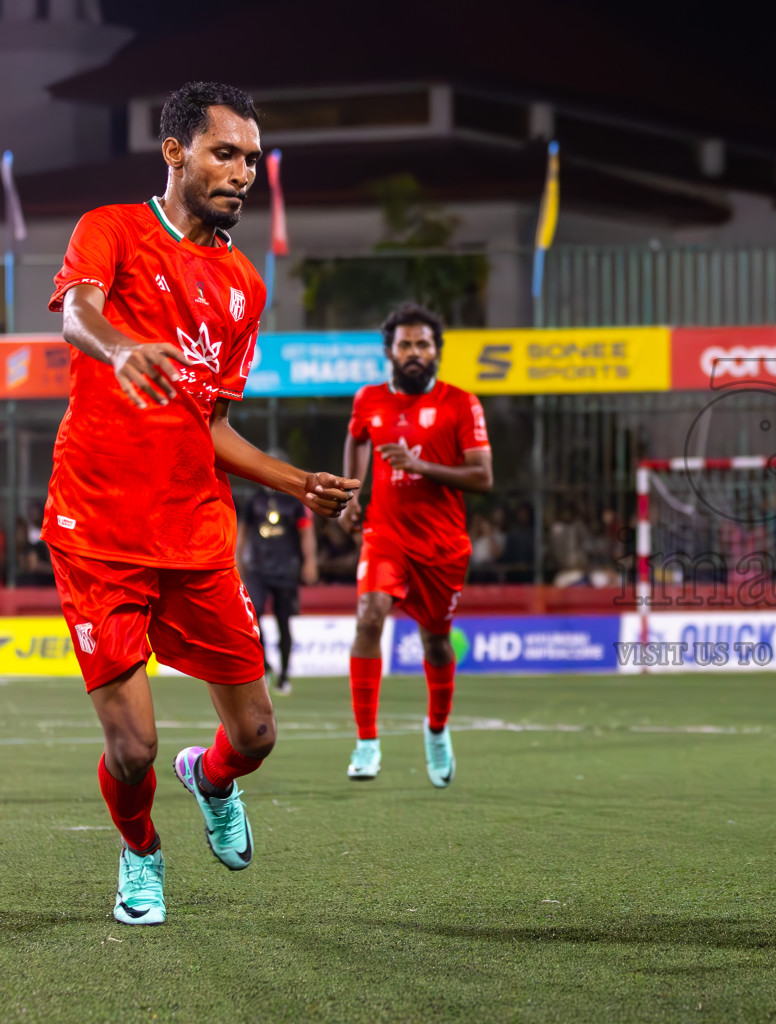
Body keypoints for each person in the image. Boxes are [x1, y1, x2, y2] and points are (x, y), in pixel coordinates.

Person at [44, 81, 358, 927]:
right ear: (176, 152)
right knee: (131, 744)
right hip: (97, 529)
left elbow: (211, 425)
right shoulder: (109, 229)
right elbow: (77, 313)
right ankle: (141, 855)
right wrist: (120, 350)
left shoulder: (245, 289)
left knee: (256, 735)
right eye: (225, 153)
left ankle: (209, 779)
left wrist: (297, 482)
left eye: (252, 159)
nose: (242, 173)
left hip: (194, 533)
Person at [339, 302, 492, 786]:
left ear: (436, 352)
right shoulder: (368, 399)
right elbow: (358, 438)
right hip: (384, 535)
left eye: (422, 344)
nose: (413, 352)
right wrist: (351, 492)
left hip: (443, 544)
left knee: (436, 641)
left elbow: (484, 476)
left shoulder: (461, 403)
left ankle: (437, 729)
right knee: (369, 617)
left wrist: (419, 465)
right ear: (390, 351)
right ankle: (366, 741)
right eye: (404, 344)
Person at [237, 452, 319, 695]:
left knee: (284, 622)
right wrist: (238, 560)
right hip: (258, 569)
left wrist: (310, 562)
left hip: (286, 569)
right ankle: (265, 664)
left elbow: (306, 533)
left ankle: (283, 674)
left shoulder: (294, 501)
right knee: (253, 616)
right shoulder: (254, 500)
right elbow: (242, 532)